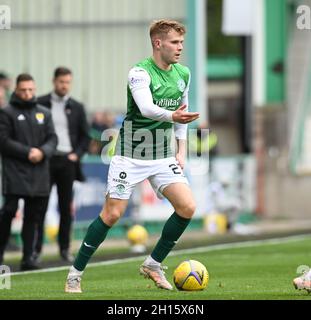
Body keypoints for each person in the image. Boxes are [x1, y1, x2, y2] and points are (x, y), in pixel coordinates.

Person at [65, 19, 200, 293]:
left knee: (187, 207)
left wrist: (181, 151)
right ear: (157, 43)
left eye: (182, 43)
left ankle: (152, 264)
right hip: (130, 155)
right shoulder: (139, 73)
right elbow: (147, 108)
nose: (179, 48)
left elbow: (182, 115)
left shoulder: (183, 73)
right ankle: (75, 273)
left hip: (162, 155)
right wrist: (172, 115)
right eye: (174, 42)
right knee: (112, 214)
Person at [0, 74, 57, 270]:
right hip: (15, 172)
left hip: (38, 172)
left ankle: (28, 258)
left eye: (30, 90)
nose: (27, 93)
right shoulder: (6, 113)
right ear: (16, 90)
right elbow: (4, 141)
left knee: (33, 217)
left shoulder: (44, 113)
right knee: (7, 212)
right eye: (23, 90)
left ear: (35, 89)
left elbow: (53, 139)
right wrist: (28, 152)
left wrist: (42, 151)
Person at [34, 67, 90, 262]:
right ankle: (36, 250)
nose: (64, 85)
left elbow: (86, 136)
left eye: (67, 82)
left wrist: (77, 154)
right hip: (46, 161)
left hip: (67, 161)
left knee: (66, 207)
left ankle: (65, 249)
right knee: (39, 206)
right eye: (61, 82)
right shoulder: (40, 103)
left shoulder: (77, 107)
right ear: (54, 81)